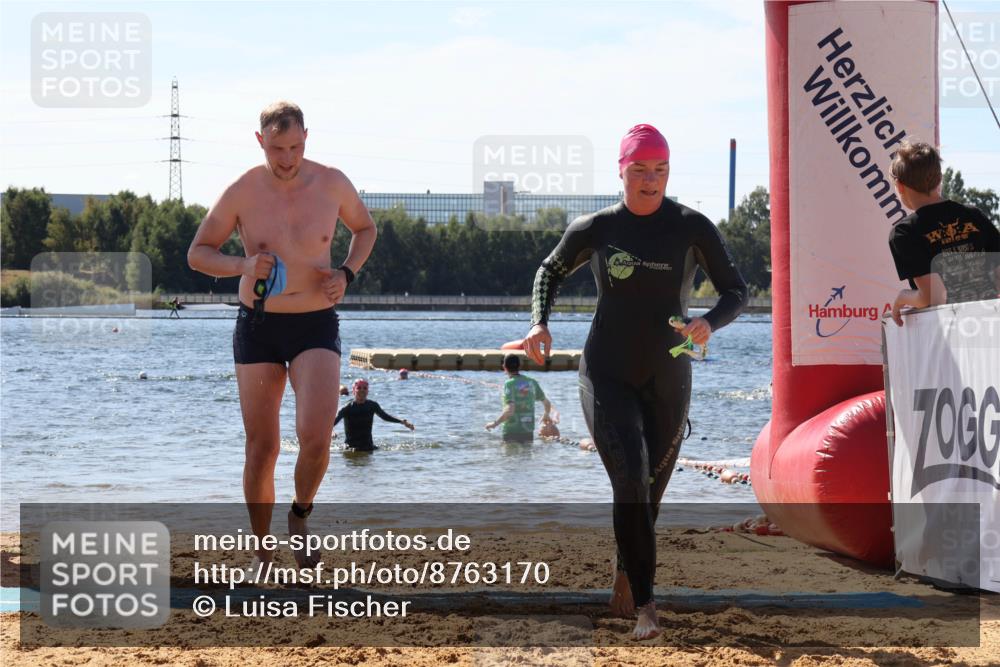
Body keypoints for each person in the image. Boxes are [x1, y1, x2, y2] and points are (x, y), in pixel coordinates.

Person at [521, 124, 747, 640]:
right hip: (607, 371)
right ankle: (647, 607)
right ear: (621, 171)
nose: (651, 180)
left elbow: (737, 291)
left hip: (670, 373)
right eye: (640, 170)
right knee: (630, 478)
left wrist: (709, 321)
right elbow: (548, 272)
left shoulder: (691, 226)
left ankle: (626, 572)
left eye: (660, 170)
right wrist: (539, 321)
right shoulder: (596, 227)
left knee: (650, 491)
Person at [187, 101, 377, 568]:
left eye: (294, 147)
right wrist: (243, 265)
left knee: (316, 437)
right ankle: (261, 547)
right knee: (263, 446)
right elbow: (198, 253)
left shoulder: (331, 182)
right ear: (260, 142)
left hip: (315, 322)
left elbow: (365, 228)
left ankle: (299, 514)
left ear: (307, 138)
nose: (287, 158)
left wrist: (347, 273)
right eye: (277, 148)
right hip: (258, 325)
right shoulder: (243, 190)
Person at [888, 141, 1000, 326]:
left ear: (899, 186)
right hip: (989, 326)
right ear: (939, 178)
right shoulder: (974, 215)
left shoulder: (904, 233)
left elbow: (934, 297)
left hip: (948, 337)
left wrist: (903, 297)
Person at [484, 353, 553, 444]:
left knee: (510, 457)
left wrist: (494, 424)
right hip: (528, 431)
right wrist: (546, 414)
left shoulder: (508, 384)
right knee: (526, 456)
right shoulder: (532, 382)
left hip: (511, 432)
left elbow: (510, 410)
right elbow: (546, 402)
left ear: (504, 367)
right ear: (520, 366)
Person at [334, 379, 414, 451]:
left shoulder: (372, 405)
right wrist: (331, 432)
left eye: (365, 388)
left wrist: (402, 421)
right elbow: (332, 423)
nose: (362, 390)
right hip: (350, 447)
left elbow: (385, 416)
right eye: (359, 388)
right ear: (354, 390)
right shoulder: (346, 408)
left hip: (368, 446)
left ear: (368, 391)